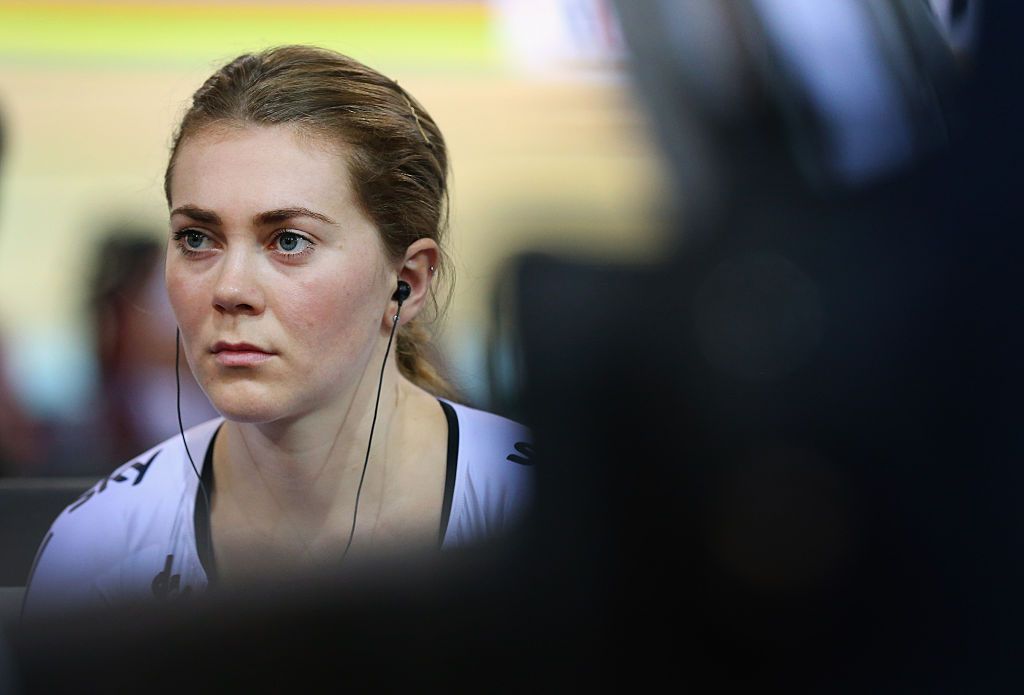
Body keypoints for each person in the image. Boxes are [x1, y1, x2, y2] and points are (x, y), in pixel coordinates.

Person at [21, 45, 533, 616]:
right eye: (197, 238)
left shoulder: (556, 519)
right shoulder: (98, 549)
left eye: (289, 240)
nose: (229, 288)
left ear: (407, 283)